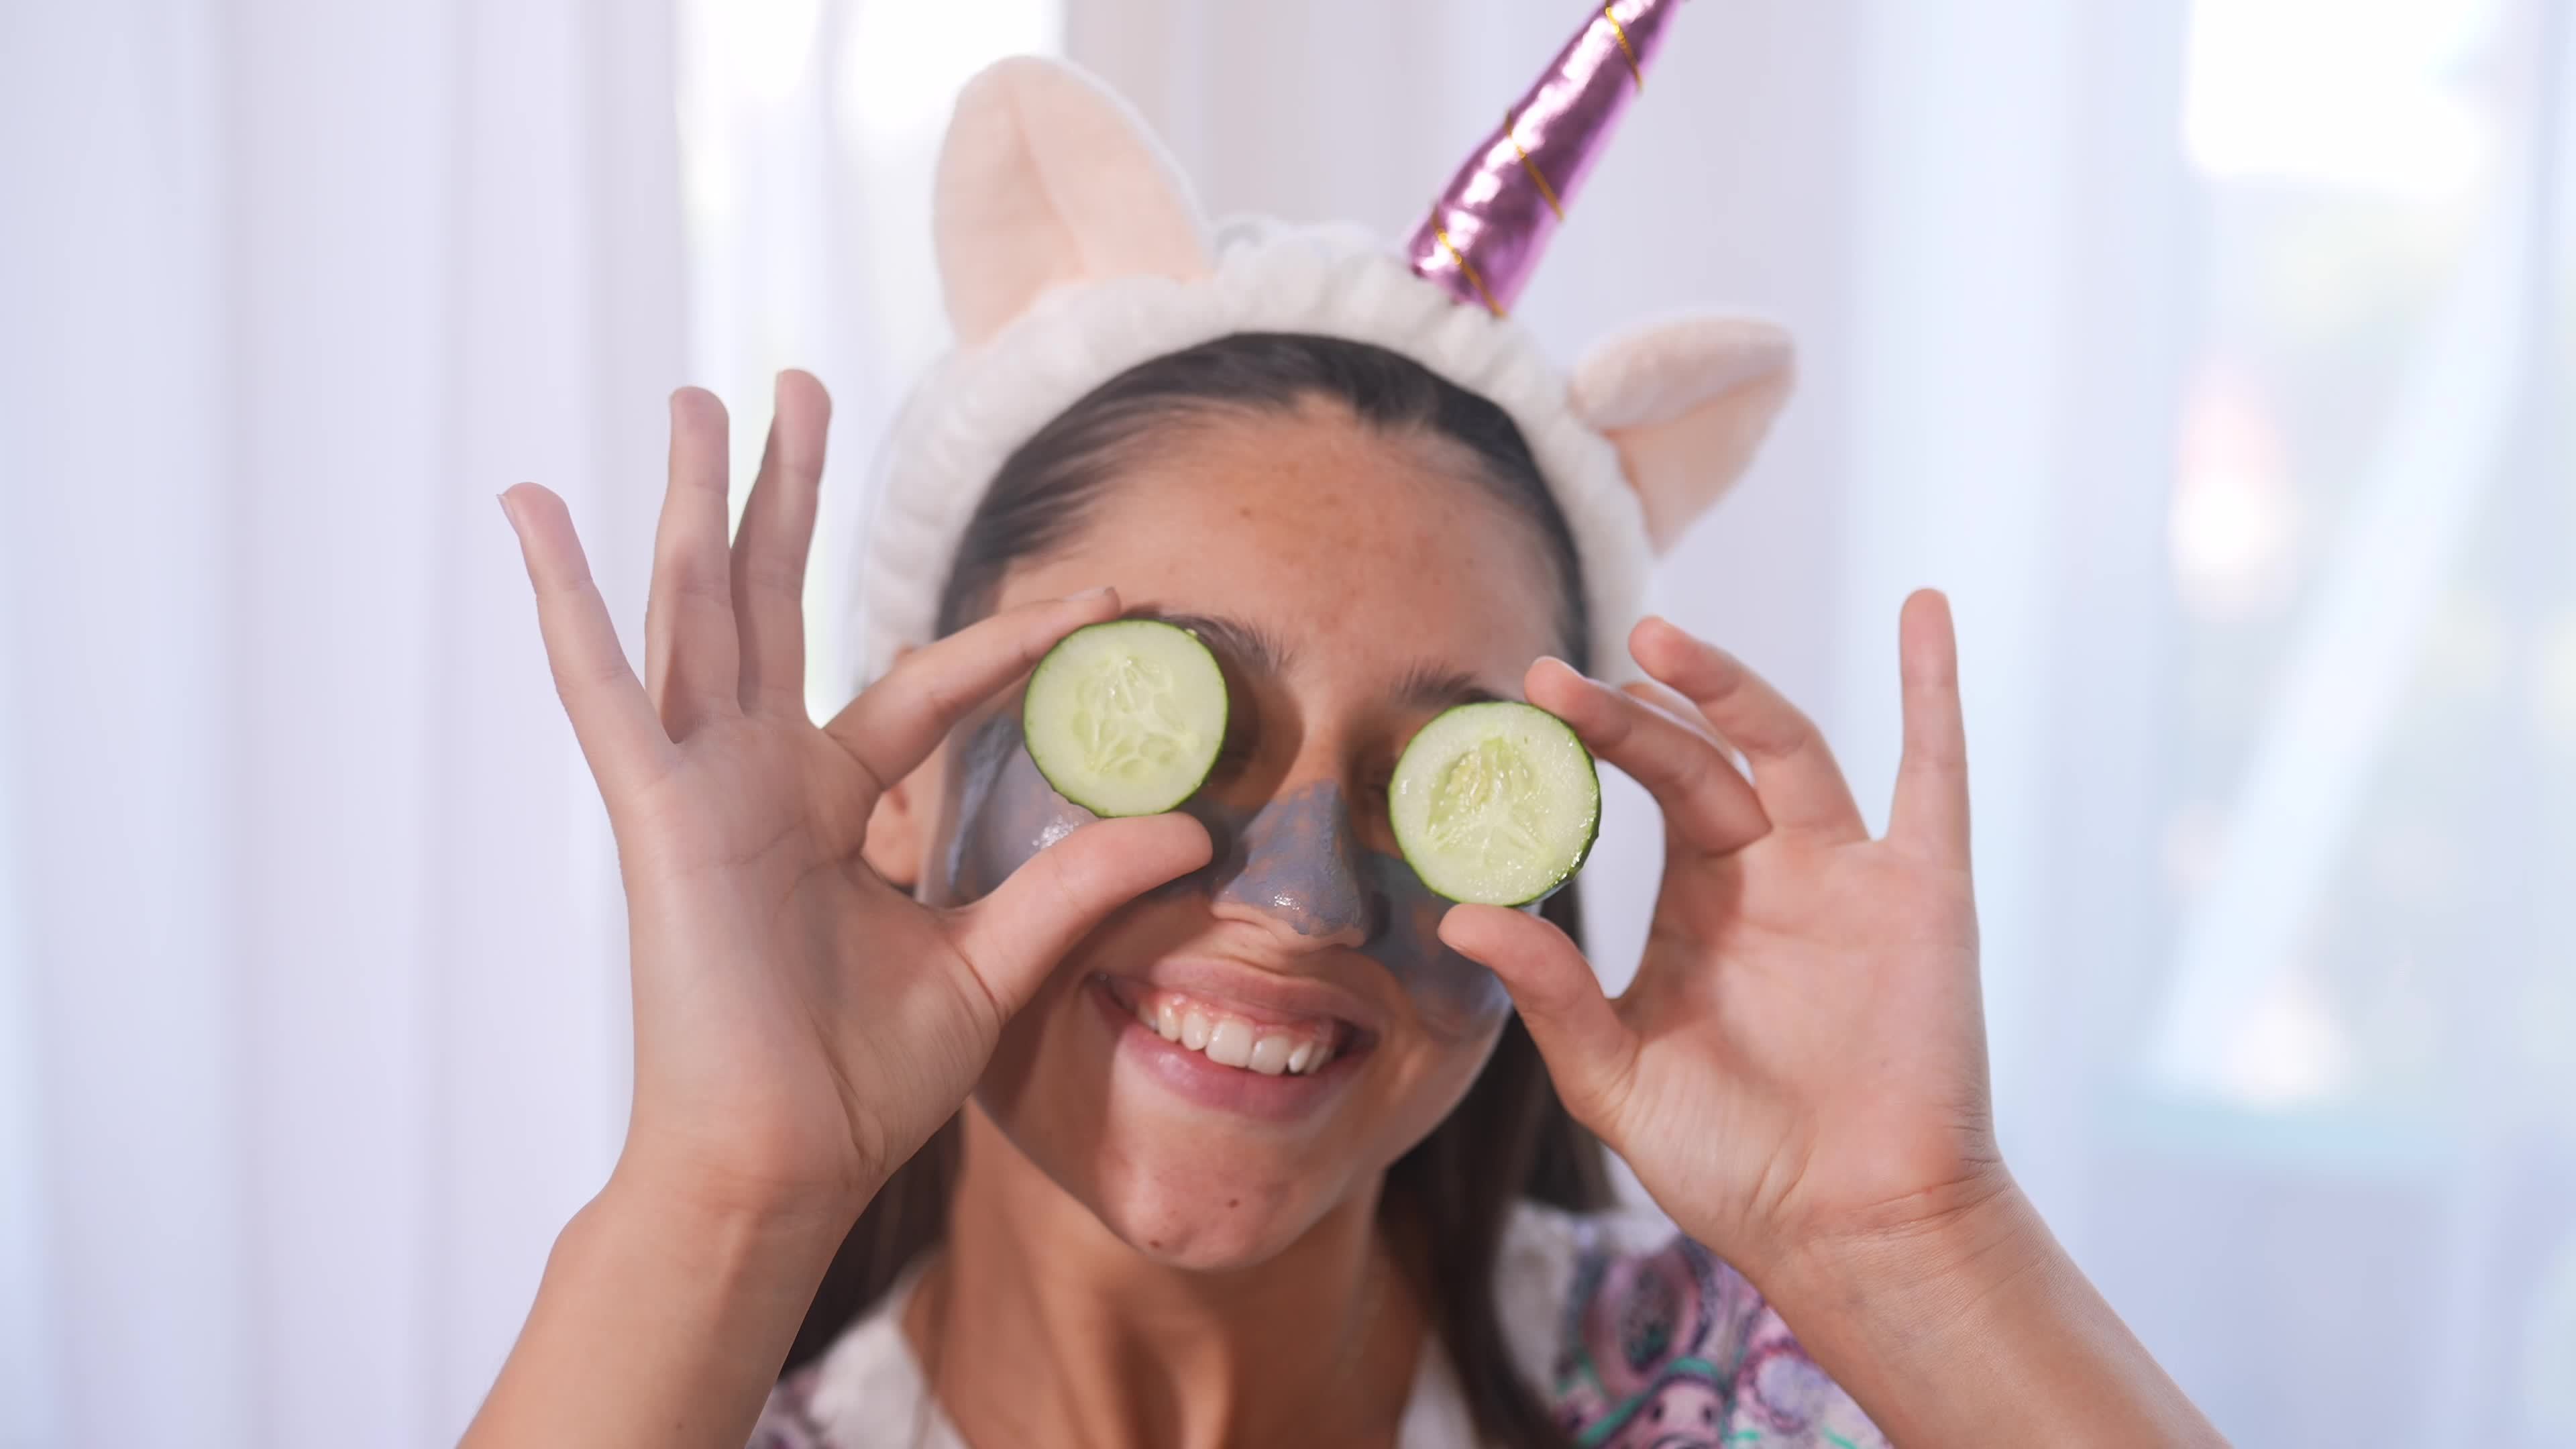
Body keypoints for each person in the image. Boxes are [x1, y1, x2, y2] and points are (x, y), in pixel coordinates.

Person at [466, 14, 2224, 1449]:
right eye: (1166, 719)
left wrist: (1917, 1246)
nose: (1305, 900)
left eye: (1438, 783)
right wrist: (721, 1197)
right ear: (906, 786)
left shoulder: (1749, 1404)